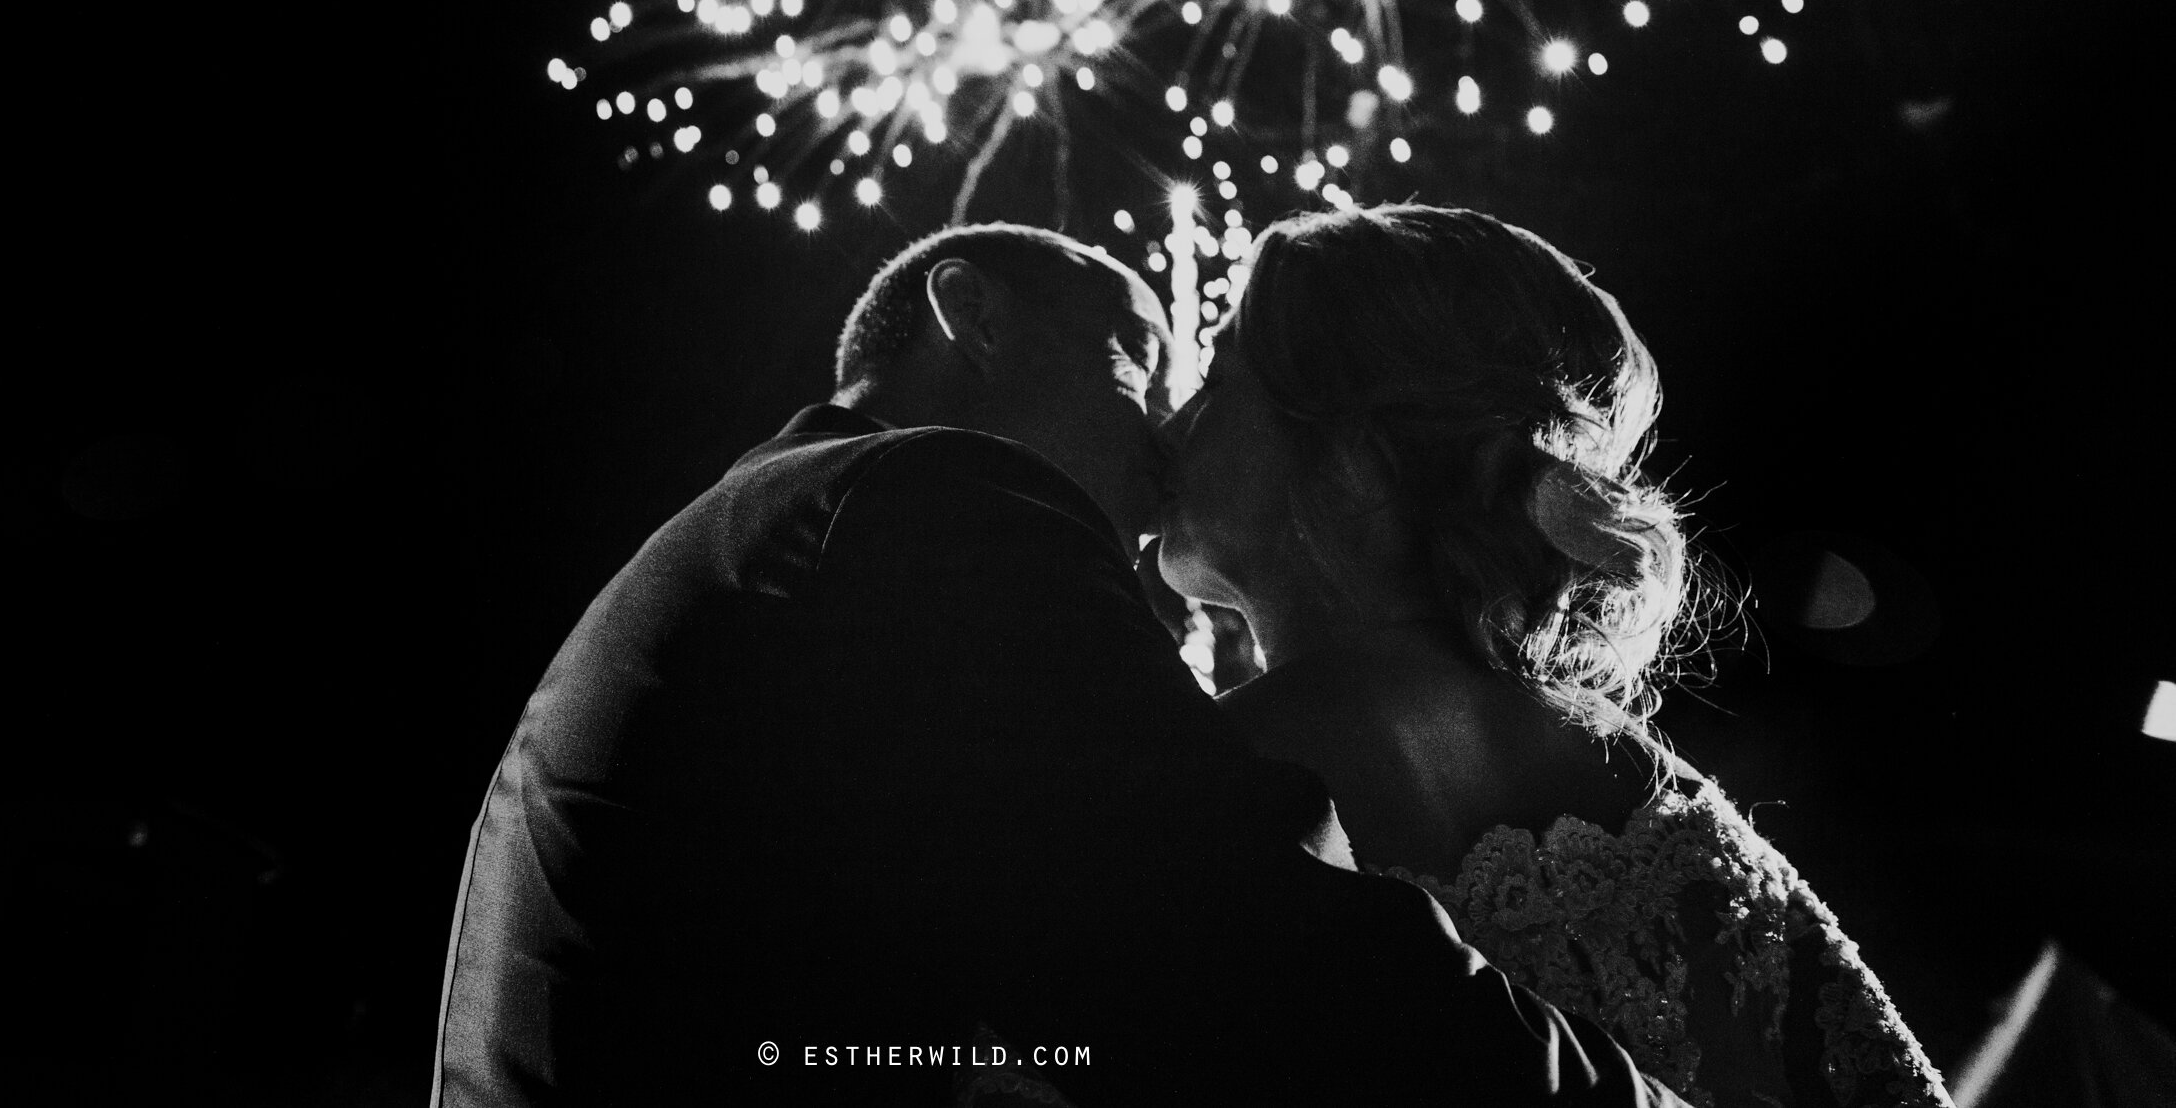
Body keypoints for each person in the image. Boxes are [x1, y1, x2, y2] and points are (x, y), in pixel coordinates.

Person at [432, 223, 1684, 1106]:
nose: (1163, 424)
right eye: (1137, 357)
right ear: (972, 315)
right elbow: (1227, 950)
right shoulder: (929, 489)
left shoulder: (797, 522)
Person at [1157, 204, 1950, 1108]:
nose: (1174, 425)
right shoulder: (1640, 777)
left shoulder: (1209, 766)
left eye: (1218, 379)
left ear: (1355, 455)